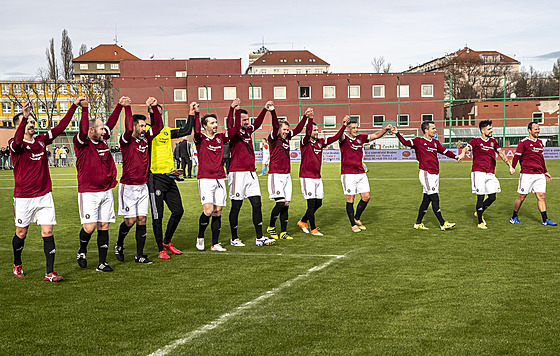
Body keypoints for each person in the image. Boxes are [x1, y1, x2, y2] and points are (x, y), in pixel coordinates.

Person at [10, 99, 82, 281]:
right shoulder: (15, 144)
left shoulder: (41, 141)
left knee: (48, 232)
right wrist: (24, 117)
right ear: (19, 126)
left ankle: (49, 272)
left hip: (44, 196)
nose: (31, 124)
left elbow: (61, 127)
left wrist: (73, 105)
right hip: (24, 198)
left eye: (32, 122)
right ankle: (17, 263)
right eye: (27, 122)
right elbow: (18, 141)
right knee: (21, 233)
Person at [74, 97, 125, 272]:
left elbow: (111, 122)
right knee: (89, 227)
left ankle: (102, 263)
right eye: (101, 128)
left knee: (104, 226)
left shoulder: (102, 142)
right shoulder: (82, 143)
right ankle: (82, 250)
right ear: (91, 130)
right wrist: (84, 109)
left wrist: (119, 106)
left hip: (106, 191)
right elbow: (82, 131)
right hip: (89, 192)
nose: (105, 131)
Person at [115, 97, 163, 264]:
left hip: (143, 186)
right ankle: (119, 244)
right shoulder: (126, 139)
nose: (144, 128)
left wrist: (154, 108)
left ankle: (139, 255)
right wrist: (127, 108)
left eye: (144, 125)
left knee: (142, 219)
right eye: (141, 126)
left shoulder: (146, 138)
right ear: (134, 126)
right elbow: (127, 128)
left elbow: (159, 127)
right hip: (128, 186)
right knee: (130, 221)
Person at [391, 121, 459, 230]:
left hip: (435, 174)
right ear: (426, 130)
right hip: (426, 173)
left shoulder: (435, 142)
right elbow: (406, 142)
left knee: (426, 200)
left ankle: (418, 223)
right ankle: (443, 223)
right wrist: (397, 133)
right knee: (435, 198)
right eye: (433, 128)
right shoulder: (418, 141)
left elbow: (445, 151)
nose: (435, 130)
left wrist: (455, 157)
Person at [192, 100, 240, 251]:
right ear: (205, 126)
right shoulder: (200, 138)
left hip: (220, 178)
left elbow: (236, 128)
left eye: (215, 122)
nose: (215, 125)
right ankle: (200, 236)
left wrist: (233, 109)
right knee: (208, 210)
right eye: (211, 123)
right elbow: (196, 129)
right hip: (205, 179)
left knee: (217, 211)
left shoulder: (220, 137)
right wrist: (197, 113)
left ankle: (215, 243)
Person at [147, 103, 193, 259]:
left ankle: (167, 241)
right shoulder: (147, 132)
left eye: (160, 112)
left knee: (178, 211)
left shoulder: (166, 131)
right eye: (155, 113)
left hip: (170, 177)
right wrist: (153, 109)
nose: (158, 115)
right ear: (150, 115)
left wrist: (191, 113)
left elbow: (186, 130)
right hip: (155, 178)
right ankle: (161, 248)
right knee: (158, 215)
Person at [227, 99, 275, 247]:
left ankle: (259, 237)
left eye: (248, 119)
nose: (248, 122)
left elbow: (258, 124)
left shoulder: (248, 130)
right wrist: (232, 109)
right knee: (236, 206)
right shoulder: (233, 132)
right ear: (237, 120)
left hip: (251, 173)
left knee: (257, 203)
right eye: (244, 120)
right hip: (237, 173)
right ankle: (234, 238)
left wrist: (265, 109)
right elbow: (230, 124)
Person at [297, 109, 348, 236]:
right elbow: (308, 132)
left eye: (317, 130)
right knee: (311, 204)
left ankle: (303, 221)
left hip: (317, 177)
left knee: (318, 203)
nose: (317, 132)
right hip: (307, 177)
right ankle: (313, 229)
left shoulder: (321, 142)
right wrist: (310, 118)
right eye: (314, 130)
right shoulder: (305, 142)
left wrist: (343, 126)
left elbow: (335, 137)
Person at [457, 120, 515, 229]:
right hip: (478, 172)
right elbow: (466, 148)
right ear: (482, 131)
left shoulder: (493, 141)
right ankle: (480, 221)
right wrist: (462, 154)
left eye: (491, 128)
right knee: (480, 196)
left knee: (492, 196)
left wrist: (510, 165)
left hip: (490, 173)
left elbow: (501, 153)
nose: (491, 130)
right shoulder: (476, 141)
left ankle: (479, 211)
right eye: (489, 129)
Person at [339, 119, 392, 232]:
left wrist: (385, 130)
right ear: (348, 129)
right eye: (353, 128)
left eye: (357, 127)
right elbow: (339, 136)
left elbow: (375, 135)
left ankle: (357, 218)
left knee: (366, 197)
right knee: (350, 199)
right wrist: (343, 124)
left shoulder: (361, 138)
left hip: (360, 173)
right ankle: (353, 224)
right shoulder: (344, 138)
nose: (356, 130)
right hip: (348, 174)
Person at [266, 105, 307, 240]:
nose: (286, 132)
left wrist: (306, 117)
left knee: (286, 203)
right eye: (284, 129)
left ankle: (283, 232)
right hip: (276, 174)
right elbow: (275, 125)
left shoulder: (287, 138)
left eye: (287, 130)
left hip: (286, 175)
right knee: (280, 202)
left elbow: (299, 129)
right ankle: (271, 227)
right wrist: (273, 112)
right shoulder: (273, 138)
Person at [510, 122, 556, 226]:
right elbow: (517, 156)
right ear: (529, 130)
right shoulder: (523, 142)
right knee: (522, 197)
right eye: (535, 129)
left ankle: (545, 219)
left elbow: (541, 158)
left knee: (541, 196)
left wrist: (545, 171)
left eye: (538, 129)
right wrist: (513, 167)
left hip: (539, 174)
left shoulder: (540, 142)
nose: (538, 131)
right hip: (527, 174)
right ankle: (514, 217)